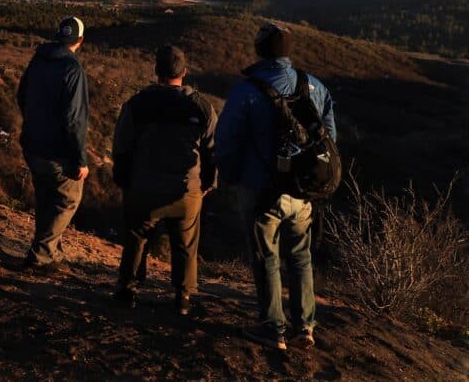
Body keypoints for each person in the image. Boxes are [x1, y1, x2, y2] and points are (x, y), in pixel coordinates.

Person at [216, 22, 337, 351]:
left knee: (266, 257)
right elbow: (330, 139)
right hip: (303, 191)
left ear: (259, 50)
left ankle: (273, 328)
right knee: (300, 256)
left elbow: (226, 140)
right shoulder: (313, 85)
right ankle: (305, 327)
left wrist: (228, 175)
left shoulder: (247, 91)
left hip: (261, 189)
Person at [111, 45, 217, 315]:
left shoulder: (137, 104)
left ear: (156, 72)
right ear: (184, 72)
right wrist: (207, 184)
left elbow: (122, 147)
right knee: (185, 243)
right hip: (185, 190)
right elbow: (213, 152)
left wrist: (124, 181)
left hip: (144, 188)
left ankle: (127, 289)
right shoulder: (202, 107)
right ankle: (182, 297)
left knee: (137, 237)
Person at [16, 16, 89, 273]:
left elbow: (21, 95)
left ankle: (52, 252)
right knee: (67, 200)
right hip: (57, 152)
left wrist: (34, 123)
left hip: (32, 143)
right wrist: (80, 160)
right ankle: (42, 255)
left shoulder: (39, 59)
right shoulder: (72, 68)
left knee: (46, 199)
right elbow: (75, 120)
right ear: (80, 40)